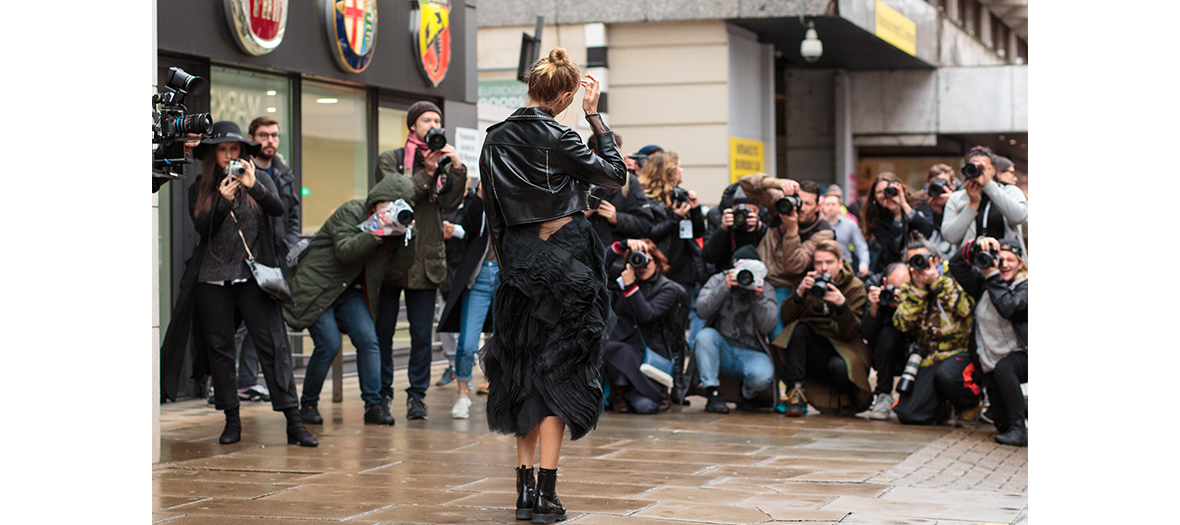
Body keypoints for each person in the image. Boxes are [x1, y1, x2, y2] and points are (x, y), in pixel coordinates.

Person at [478, 48, 626, 524]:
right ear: (564, 93)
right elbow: (615, 175)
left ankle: (524, 495)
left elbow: (494, 218)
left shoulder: (493, 139)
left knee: (519, 370)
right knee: (559, 375)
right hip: (566, 263)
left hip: (518, 267)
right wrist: (594, 117)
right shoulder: (561, 134)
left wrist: (512, 267)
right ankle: (546, 495)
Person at [159, 121, 317, 447]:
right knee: (220, 350)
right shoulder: (200, 188)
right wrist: (222, 201)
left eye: (234, 150)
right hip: (212, 279)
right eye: (222, 150)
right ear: (213, 154)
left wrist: (253, 185)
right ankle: (232, 420)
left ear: (243, 153)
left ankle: (294, 421)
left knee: (272, 346)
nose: (229, 155)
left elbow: (278, 209)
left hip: (252, 276)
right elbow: (204, 230)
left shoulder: (260, 179)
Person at [282, 175, 417, 427]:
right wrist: (375, 229)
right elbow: (345, 251)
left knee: (369, 341)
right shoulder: (351, 211)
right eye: (386, 203)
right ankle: (308, 404)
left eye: (397, 206)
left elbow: (400, 267)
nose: (389, 210)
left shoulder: (392, 230)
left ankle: (374, 407)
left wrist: (408, 236)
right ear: (376, 200)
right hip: (317, 287)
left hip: (348, 292)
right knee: (329, 344)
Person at [373, 101, 469, 421]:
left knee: (420, 335)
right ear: (412, 125)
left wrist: (455, 167)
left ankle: (417, 396)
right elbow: (395, 197)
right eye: (427, 119)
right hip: (391, 258)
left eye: (438, 119)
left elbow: (452, 201)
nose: (433, 123)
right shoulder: (392, 159)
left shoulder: (441, 160)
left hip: (426, 260)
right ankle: (382, 394)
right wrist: (426, 172)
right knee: (383, 332)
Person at [229, 116, 302, 404]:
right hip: (245, 258)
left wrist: (288, 248)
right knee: (237, 325)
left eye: (274, 135)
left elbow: (291, 214)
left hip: (274, 261)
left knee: (259, 327)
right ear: (251, 138)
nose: (270, 140)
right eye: (263, 135)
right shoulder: (240, 168)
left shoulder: (283, 173)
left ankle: (247, 382)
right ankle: (219, 381)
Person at [773, 240, 872, 416]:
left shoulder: (855, 286)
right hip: (815, 344)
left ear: (840, 263)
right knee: (798, 329)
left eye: (829, 262)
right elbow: (786, 318)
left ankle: (846, 397)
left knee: (841, 366)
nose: (823, 268)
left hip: (843, 346)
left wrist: (842, 306)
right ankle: (796, 392)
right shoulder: (808, 281)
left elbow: (851, 333)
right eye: (818, 263)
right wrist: (799, 294)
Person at [891, 239, 982, 426]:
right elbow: (902, 324)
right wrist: (918, 291)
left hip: (960, 352)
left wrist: (937, 283)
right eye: (913, 261)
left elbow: (965, 310)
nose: (920, 265)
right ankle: (942, 406)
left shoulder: (955, 276)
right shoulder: (911, 287)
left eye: (924, 258)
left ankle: (970, 404)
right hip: (929, 356)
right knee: (909, 415)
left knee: (947, 375)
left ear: (937, 259)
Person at [948, 237, 1028, 446]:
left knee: (1005, 367)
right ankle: (1022, 411)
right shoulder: (984, 284)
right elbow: (955, 265)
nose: (1004, 265)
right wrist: (976, 245)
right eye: (998, 259)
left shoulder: (1026, 287)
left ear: (1020, 263)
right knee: (1001, 423)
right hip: (992, 363)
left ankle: (1020, 429)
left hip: (1023, 354)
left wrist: (992, 276)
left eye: (1010, 260)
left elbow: (1010, 308)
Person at [737, 175, 835, 341]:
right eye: (799, 201)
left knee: (778, 335)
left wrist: (792, 230)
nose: (801, 208)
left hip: (785, 285)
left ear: (818, 206)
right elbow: (746, 184)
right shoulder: (783, 203)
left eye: (808, 204)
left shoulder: (823, 232)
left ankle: (781, 366)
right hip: (759, 277)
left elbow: (794, 266)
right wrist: (778, 183)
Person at [602, 239, 687, 414]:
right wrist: (621, 246)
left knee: (644, 406)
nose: (643, 265)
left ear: (656, 262)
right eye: (637, 259)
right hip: (621, 346)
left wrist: (631, 286)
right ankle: (619, 392)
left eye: (647, 259)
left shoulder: (668, 288)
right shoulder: (626, 274)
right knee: (615, 347)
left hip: (647, 352)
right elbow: (600, 265)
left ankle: (642, 392)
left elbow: (647, 315)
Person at [692, 245, 778, 414]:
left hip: (750, 352)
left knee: (763, 375)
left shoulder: (764, 287)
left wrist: (758, 297)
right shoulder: (719, 280)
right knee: (704, 336)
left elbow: (768, 325)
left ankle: (747, 395)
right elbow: (701, 310)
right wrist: (724, 287)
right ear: (733, 267)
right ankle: (712, 393)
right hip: (722, 348)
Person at [437, 181, 498, 419]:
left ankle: (501, 390)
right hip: (479, 278)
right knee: (467, 343)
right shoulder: (476, 204)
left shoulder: (514, 199)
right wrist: (481, 194)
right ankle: (463, 395)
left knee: (505, 341)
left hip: (507, 278)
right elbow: (468, 226)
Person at [940, 147, 1028, 259]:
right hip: (971, 267)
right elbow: (950, 236)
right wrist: (972, 204)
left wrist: (989, 186)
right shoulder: (957, 198)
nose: (979, 171)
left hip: (1006, 265)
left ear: (993, 170)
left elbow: (1019, 217)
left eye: (984, 168)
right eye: (974, 167)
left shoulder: (1010, 191)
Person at [859, 262, 913, 420]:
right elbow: (867, 335)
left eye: (904, 288)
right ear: (884, 283)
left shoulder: (919, 292)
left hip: (914, 351)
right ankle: (883, 394)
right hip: (883, 352)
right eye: (895, 288)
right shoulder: (873, 288)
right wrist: (874, 309)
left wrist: (905, 308)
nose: (898, 293)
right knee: (888, 334)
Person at [585, 132, 657, 250]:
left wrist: (617, 218)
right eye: (609, 153)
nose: (615, 158)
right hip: (582, 258)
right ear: (593, 153)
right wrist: (579, 215)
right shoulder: (576, 180)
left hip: (616, 259)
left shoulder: (628, 181)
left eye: (617, 153)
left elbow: (645, 225)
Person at [859, 172, 935, 276]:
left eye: (888, 190)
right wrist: (897, 215)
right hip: (893, 268)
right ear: (874, 196)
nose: (885, 195)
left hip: (920, 261)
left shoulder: (919, 202)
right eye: (879, 192)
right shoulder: (875, 217)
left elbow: (927, 231)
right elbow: (892, 248)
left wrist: (904, 205)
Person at [701, 190, 767, 274]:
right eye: (739, 210)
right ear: (733, 208)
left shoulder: (764, 217)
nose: (743, 215)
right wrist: (723, 229)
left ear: (758, 211)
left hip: (758, 272)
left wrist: (759, 228)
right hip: (725, 272)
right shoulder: (718, 218)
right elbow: (708, 257)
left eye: (750, 210)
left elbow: (773, 254)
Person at [916, 163, 959, 258]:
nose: (939, 187)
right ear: (928, 186)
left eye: (943, 183)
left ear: (953, 185)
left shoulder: (963, 201)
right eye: (935, 184)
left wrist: (953, 203)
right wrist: (935, 213)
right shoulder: (923, 205)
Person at [822, 193, 870, 277]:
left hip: (845, 268)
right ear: (823, 207)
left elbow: (860, 246)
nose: (830, 207)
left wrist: (864, 263)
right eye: (827, 204)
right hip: (824, 268)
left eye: (833, 204)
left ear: (839, 206)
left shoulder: (850, 224)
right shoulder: (820, 225)